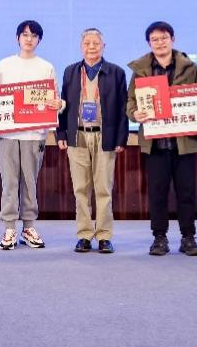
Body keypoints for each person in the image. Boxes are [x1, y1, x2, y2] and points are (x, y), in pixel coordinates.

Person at [127, 21, 197, 257]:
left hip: (184, 143)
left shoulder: (190, 68)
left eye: (164, 38)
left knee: (187, 193)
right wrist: (135, 113)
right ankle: (159, 238)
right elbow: (130, 101)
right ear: (149, 43)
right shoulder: (141, 70)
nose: (160, 43)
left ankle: (188, 238)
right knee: (157, 193)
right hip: (155, 144)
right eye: (155, 39)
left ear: (173, 39)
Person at [0, 20, 62, 250]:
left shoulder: (46, 67)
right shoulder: (4, 65)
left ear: (39, 40)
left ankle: (28, 227)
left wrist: (59, 104)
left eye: (34, 36)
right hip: (8, 135)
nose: (29, 39)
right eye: (25, 35)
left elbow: (56, 100)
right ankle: (9, 228)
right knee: (9, 182)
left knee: (30, 183)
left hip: (35, 135)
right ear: (17, 38)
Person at [56, 28, 129, 254]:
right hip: (77, 136)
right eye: (87, 43)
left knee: (104, 188)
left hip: (104, 136)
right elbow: (61, 105)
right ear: (81, 47)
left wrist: (121, 138)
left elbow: (123, 108)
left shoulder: (116, 72)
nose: (91, 47)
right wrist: (60, 134)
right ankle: (84, 235)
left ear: (103, 46)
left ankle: (104, 236)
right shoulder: (70, 71)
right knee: (80, 189)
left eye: (96, 43)